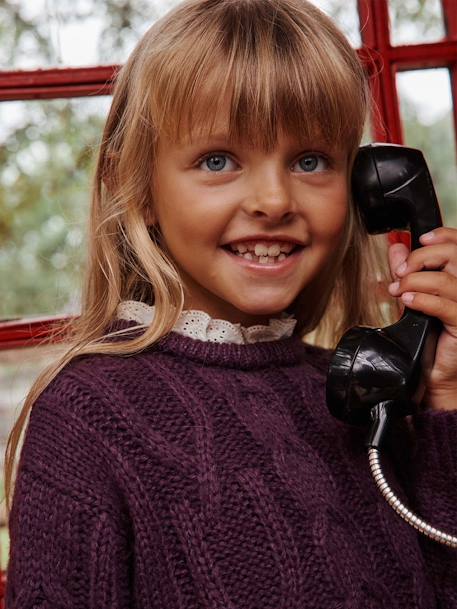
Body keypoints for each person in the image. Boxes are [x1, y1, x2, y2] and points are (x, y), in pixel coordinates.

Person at [3, 0, 457, 607]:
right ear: (133, 184)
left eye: (311, 160)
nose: (273, 199)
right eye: (218, 160)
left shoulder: (366, 399)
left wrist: (445, 401)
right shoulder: (87, 418)